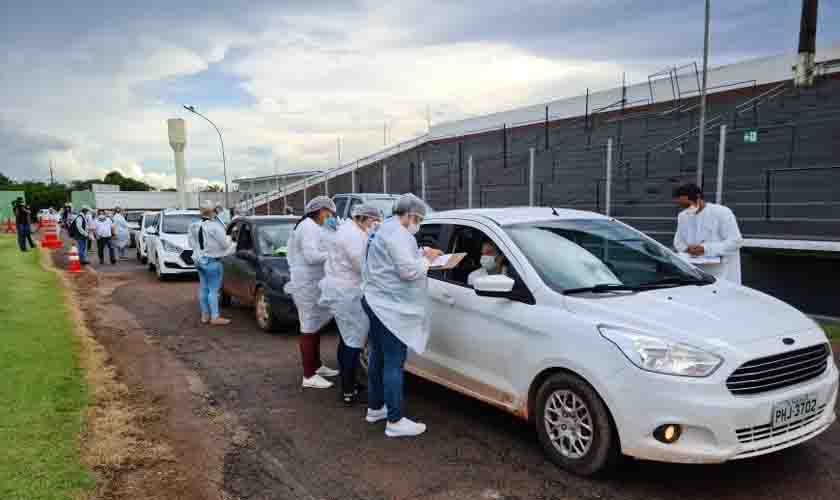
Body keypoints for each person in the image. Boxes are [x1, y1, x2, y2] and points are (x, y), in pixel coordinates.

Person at [362, 193, 443, 437]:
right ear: (407, 215)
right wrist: (428, 260)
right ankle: (395, 421)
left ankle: (376, 408)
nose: (417, 224)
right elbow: (408, 272)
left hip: (375, 299)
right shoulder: (397, 233)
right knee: (393, 361)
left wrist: (422, 251)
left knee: (378, 356)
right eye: (416, 219)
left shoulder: (385, 228)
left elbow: (397, 257)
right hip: (388, 306)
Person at [319, 204, 383, 404]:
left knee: (347, 339)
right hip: (347, 293)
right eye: (373, 221)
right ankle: (348, 390)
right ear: (363, 218)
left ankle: (350, 382)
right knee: (353, 342)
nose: (374, 225)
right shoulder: (352, 236)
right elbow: (362, 266)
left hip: (343, 291)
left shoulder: (350, 229)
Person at [284, 195, 340, 389]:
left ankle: (316, 366)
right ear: (321, 211)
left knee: (314, 325)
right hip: (306, 284)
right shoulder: (308, 227)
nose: (331, 217)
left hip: (311, 282)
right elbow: (311, 256)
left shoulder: (312, 226)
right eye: (329, 214)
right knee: (308, 326)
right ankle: (308, 375)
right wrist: (334, 254)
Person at [673, 183, 744, 283]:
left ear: (698, 197)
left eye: (687, 205)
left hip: (723, 272)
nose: (686, 208)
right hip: (697, 272)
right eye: (682, 206)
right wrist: (688, 249)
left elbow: (736, 242)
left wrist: (705, 248)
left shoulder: (722, 212)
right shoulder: (683, 216)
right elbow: (678, 242)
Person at [188, 201, 235, 325]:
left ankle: (205, 315)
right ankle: (215, 317)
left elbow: (191, 244)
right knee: (213, 290)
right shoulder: (215, 227)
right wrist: (231, 239)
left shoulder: (193, 226)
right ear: (213, 212)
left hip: (199, 260)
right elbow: (225, 245)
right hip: (212, 261)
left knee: (203, 288)